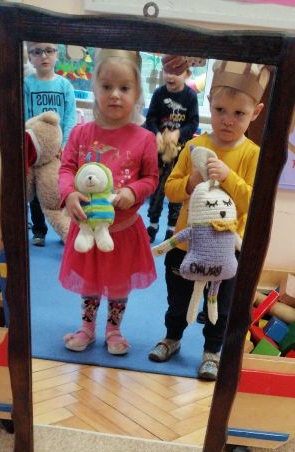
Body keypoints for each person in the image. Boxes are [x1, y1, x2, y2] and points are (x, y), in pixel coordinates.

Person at [148, 60, 270, 381]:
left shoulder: (252, 154)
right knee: (177, 300)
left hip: (225, 250)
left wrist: (229, 176)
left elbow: (252, 202)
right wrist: (191, 182)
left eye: (239, 113)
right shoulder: (194, 146)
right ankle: (172, 338)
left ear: (255, 113)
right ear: (209, 105)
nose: (227, 120)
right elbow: (171, 190)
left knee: (220, 306)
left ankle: (212, 352)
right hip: (185, 245)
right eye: (220, 110)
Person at [58, 49, 158, 355]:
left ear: (137, 93)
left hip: (124, 231)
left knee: (118, 284)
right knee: (89, 281)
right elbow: (66, 169)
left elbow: (151, 178)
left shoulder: (145, 139)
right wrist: (69, 193)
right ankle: (87, 327)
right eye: (107, 86)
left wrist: (134, 192)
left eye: (124, 88)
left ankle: (114, 329)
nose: (115, 94)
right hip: (87, 227)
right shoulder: (80, 133)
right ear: (94, 88)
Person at [24, 42, 77, 246]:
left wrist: (65, 144)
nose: (44, 56)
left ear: (57, 54)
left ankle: (66, 227)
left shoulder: (65, 86)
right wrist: (31, 145)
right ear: (30, 57)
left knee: (59, 189)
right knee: (37, 193)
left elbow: (70, 118)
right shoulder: (27, 85)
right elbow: (25, 117)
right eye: (37, 52)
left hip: (59, 151)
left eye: (49, 51)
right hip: (36, 151)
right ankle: (39, 230)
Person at [144, 62, 199, 242]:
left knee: (176, 188)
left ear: (187, 73)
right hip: (159, 151)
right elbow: (151, 118)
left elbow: (193, 123)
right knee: (157, 188)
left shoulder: (190, 97)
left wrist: (178, 134)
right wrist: (156, 134)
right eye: (167, 71)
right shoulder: (159, 93)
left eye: (176, 72)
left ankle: (171, 228)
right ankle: (153, 224)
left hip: (180, 153)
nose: (170, 76)